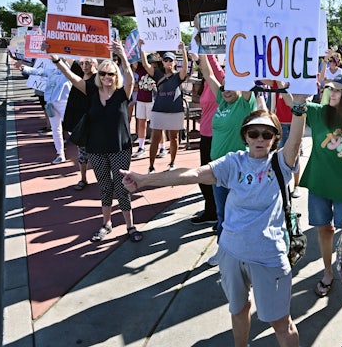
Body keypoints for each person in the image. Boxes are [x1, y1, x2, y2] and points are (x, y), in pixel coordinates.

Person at [122, 104, 308, 347]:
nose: (260, 139)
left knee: (282, 324)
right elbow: (193, 174)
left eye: (267, 134)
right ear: (245, 136)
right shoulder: (233, 163)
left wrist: (300, 107)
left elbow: (294, 142)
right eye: (254, 133)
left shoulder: (280, 163)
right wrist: (145, 180)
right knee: (238, 309)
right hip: (230, 253)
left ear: (274, 139)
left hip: (268, 257)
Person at [52, 42, 142, 243]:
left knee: (122, 186)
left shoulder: (123, 93)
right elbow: (72, 77)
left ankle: (130, 226)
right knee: (104, 186)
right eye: (103, 74)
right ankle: (106, 223)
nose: (107, 77)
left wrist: (123, 56)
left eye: (111, 74)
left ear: (116, 76)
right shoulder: (91, 92)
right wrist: (56, 60)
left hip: (120, 148)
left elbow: (128, 75)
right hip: (96, 149)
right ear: (98, 76)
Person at [297, 73, 342, 298]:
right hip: (318, 186)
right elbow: (294, 102)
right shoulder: (318, 112)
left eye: (337, 90)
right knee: (324, 230)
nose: (331, 93)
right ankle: (327, 272)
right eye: (330, 89)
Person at [197, 53, 257, 260]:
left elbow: (248, 79)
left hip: (238, 170)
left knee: (239, 215)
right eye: (224, 87)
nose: (227, 90)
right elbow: (207, 73)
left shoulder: (245, 104)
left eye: (232, 86)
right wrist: (202, 47)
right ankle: (223, 252)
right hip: (218, 170)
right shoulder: (222, 103)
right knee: (222, 214)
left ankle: (243, 253)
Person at [139, 41, 189, 173]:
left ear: (174, 62)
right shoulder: (157, 74)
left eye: (170, 60)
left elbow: (185, 69)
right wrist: (142, 48)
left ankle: (172, 162)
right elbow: (145, 64)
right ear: (163, 62)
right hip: (159, 110)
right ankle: (151, 165)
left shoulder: (178, 76)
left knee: (174, 137)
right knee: (155, 137)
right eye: (166, 60)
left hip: (175, 111)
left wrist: (183, 51)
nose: (168, 62)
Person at [191, 52, 225, 225]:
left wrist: (204, 48)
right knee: (205, 177)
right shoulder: (205, 83)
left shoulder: (218, 80)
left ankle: (218, 214)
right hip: (204, 134)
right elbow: (205, 70)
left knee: (214, 177)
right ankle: (211, 210)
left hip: (217, 136)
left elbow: (211, 67)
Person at [62, 58, 97, 190]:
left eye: (88, 63)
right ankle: (83, 178)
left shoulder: (98, 79)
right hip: (80, 121)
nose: (85, 66)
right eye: (82, 63)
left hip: (94, 120)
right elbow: (68, 62)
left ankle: (105, 178)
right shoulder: (78, 71)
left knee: (98, 152)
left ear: (95, 64)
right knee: (82, 151)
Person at [42, 58, 72, 164]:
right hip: (51, 102)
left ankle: (86, 151)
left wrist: (61, 60)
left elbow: (68, 70)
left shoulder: (66, 69)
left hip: (64, 101)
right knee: (56, 129)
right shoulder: (50, 70)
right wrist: (24, 68)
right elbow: (38, 71)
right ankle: (60, 154)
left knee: (72, 127)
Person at [132, 54, 157, 158]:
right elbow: (133, 62)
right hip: (141, 100)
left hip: (152, 100)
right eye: (149, 62)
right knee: (141, 123)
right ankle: (141, 147)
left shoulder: (156, 72)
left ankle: (162, 146)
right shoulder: (141, 69)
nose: (150, 64)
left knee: (156, 124)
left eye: (152, 62)